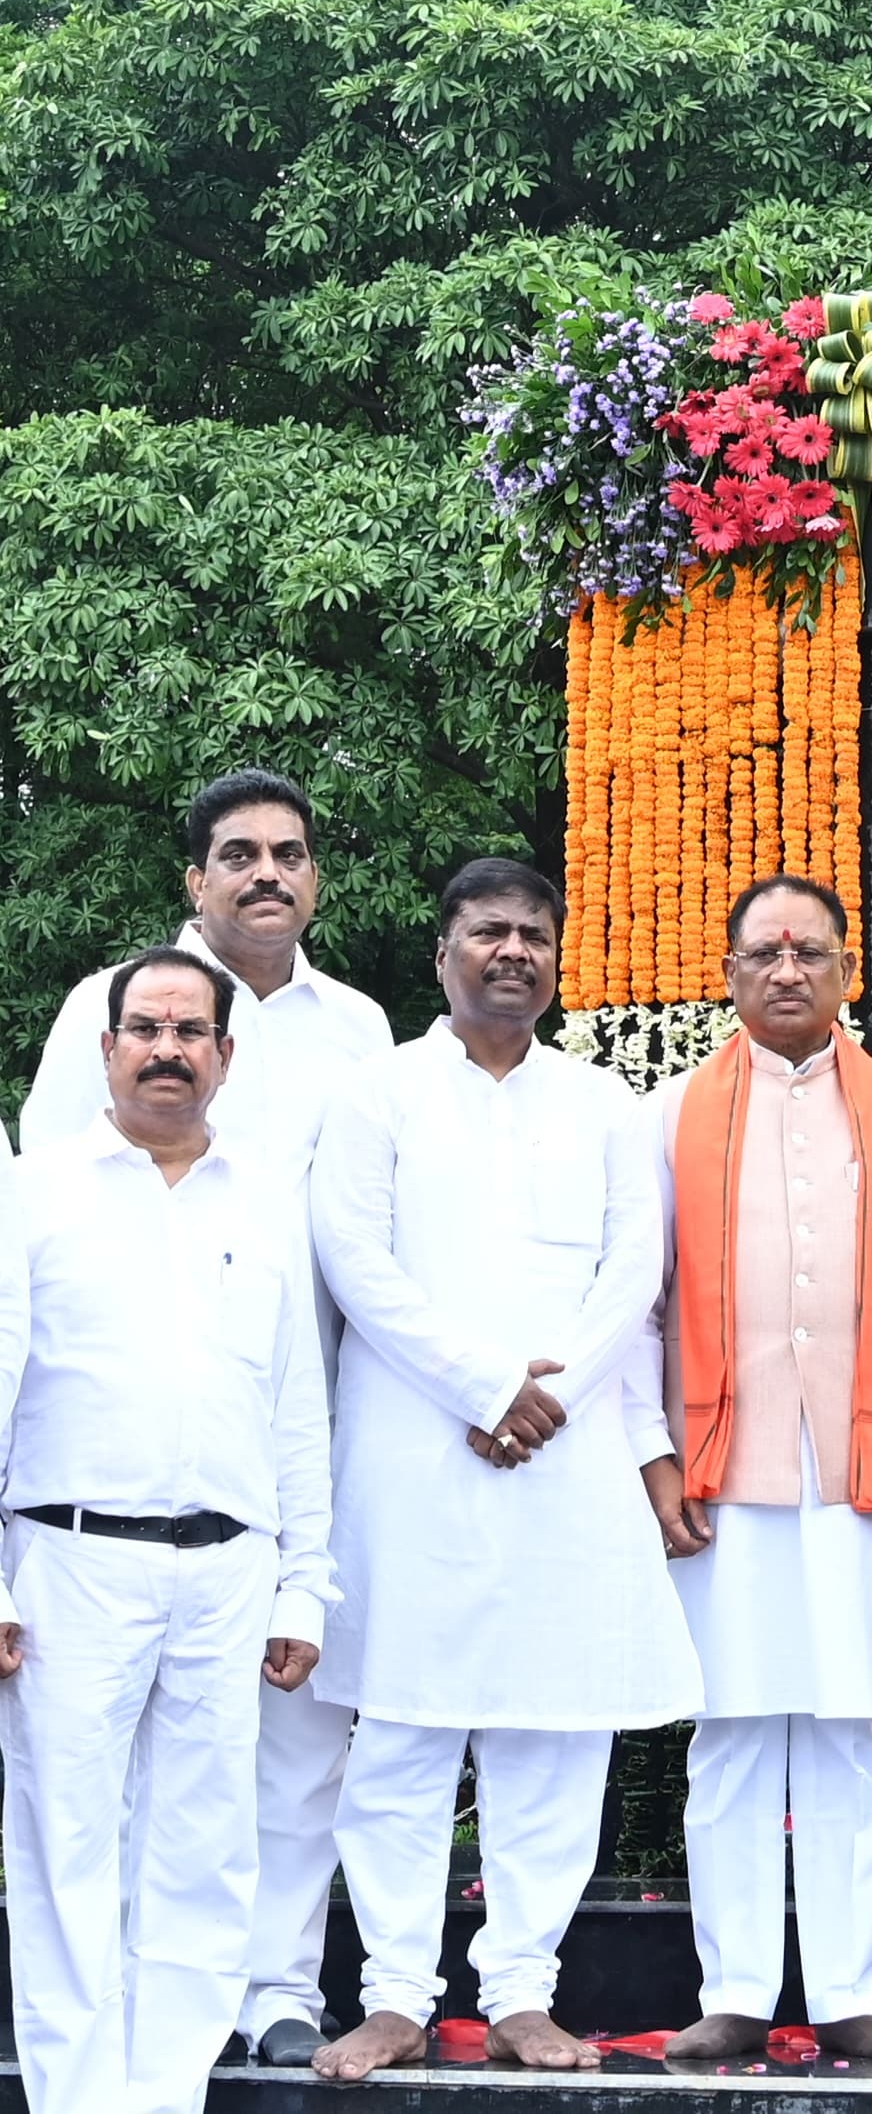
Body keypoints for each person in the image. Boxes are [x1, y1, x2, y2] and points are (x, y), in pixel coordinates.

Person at [20, 766, 392, 2069]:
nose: (265, 874)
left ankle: (270, 1988)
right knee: (80, 1801)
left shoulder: (356, 1027)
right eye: (236, 853)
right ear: (194, 877)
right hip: (94, 1474)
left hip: (282, 1428)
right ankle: (90, 2053)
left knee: (278, 1754)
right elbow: (39, 1268)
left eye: (288, 852)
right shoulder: (104, 1008)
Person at [306, 859, 698, 2084]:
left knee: (555, 1732)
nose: (513, 950)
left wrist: (552, 1395)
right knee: (404, 1738)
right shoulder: (378, 1093)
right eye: (489, 930)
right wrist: (485, 1386)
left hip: (562, 1459)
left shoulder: (603, 1103)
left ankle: (525, 1992)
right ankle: (392, 1995)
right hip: (417, 1453)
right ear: (442, 952)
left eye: (534, 932)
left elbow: (637, 1262)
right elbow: (352, 1258)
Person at [633, 872, 872, 2069]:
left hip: (865, 1472)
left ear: (845, 971)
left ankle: (843, 1990)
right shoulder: (669, 1111)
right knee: (727, 1736)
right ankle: (729, 1990)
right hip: (725, 1471)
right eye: (764, 950)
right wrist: (653, 1455)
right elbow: (641, 1305)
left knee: (846, 1733)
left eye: (809, 950)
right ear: (728, 972)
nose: (786, 968)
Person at [0, 943, 329, 2114]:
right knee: (67, 1853)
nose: (168, 1049)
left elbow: (296, 1410)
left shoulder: (265, 1202)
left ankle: (166, 2094)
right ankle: (79, 2099)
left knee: (204, 1855)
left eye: (192, 1032)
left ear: (226, 1056)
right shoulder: (37, 1189)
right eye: (146, 1028)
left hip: (229, 1572)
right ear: (106, 1048)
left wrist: (303, 1586)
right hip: (70, 1562)